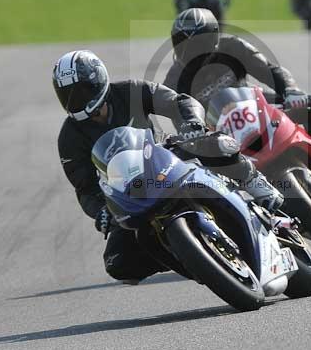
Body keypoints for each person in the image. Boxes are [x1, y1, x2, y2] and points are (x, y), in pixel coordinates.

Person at [54, 50, 283, 282]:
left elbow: (177, 101)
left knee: (214, 144)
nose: (75, 100)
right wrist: (101, 211)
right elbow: (85, 189)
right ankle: (188, 258)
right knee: (118, 263)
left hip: (163, 159)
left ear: (97, 80)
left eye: (80, 91)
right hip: (129, 192)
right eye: (67, 95)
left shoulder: (130, 90)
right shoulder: (69, 138)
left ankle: (257, 185)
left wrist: (192, 122)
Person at [163, 8, 311, 168]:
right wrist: (195, 135)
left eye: (197, 44)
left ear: (214, 37)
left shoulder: (233, 47)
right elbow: (180, 119)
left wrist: (290, 90)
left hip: (253, 104)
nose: (190, 51)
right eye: (182, 44)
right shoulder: (174, 81)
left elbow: (270, 71)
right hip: (215, 130)